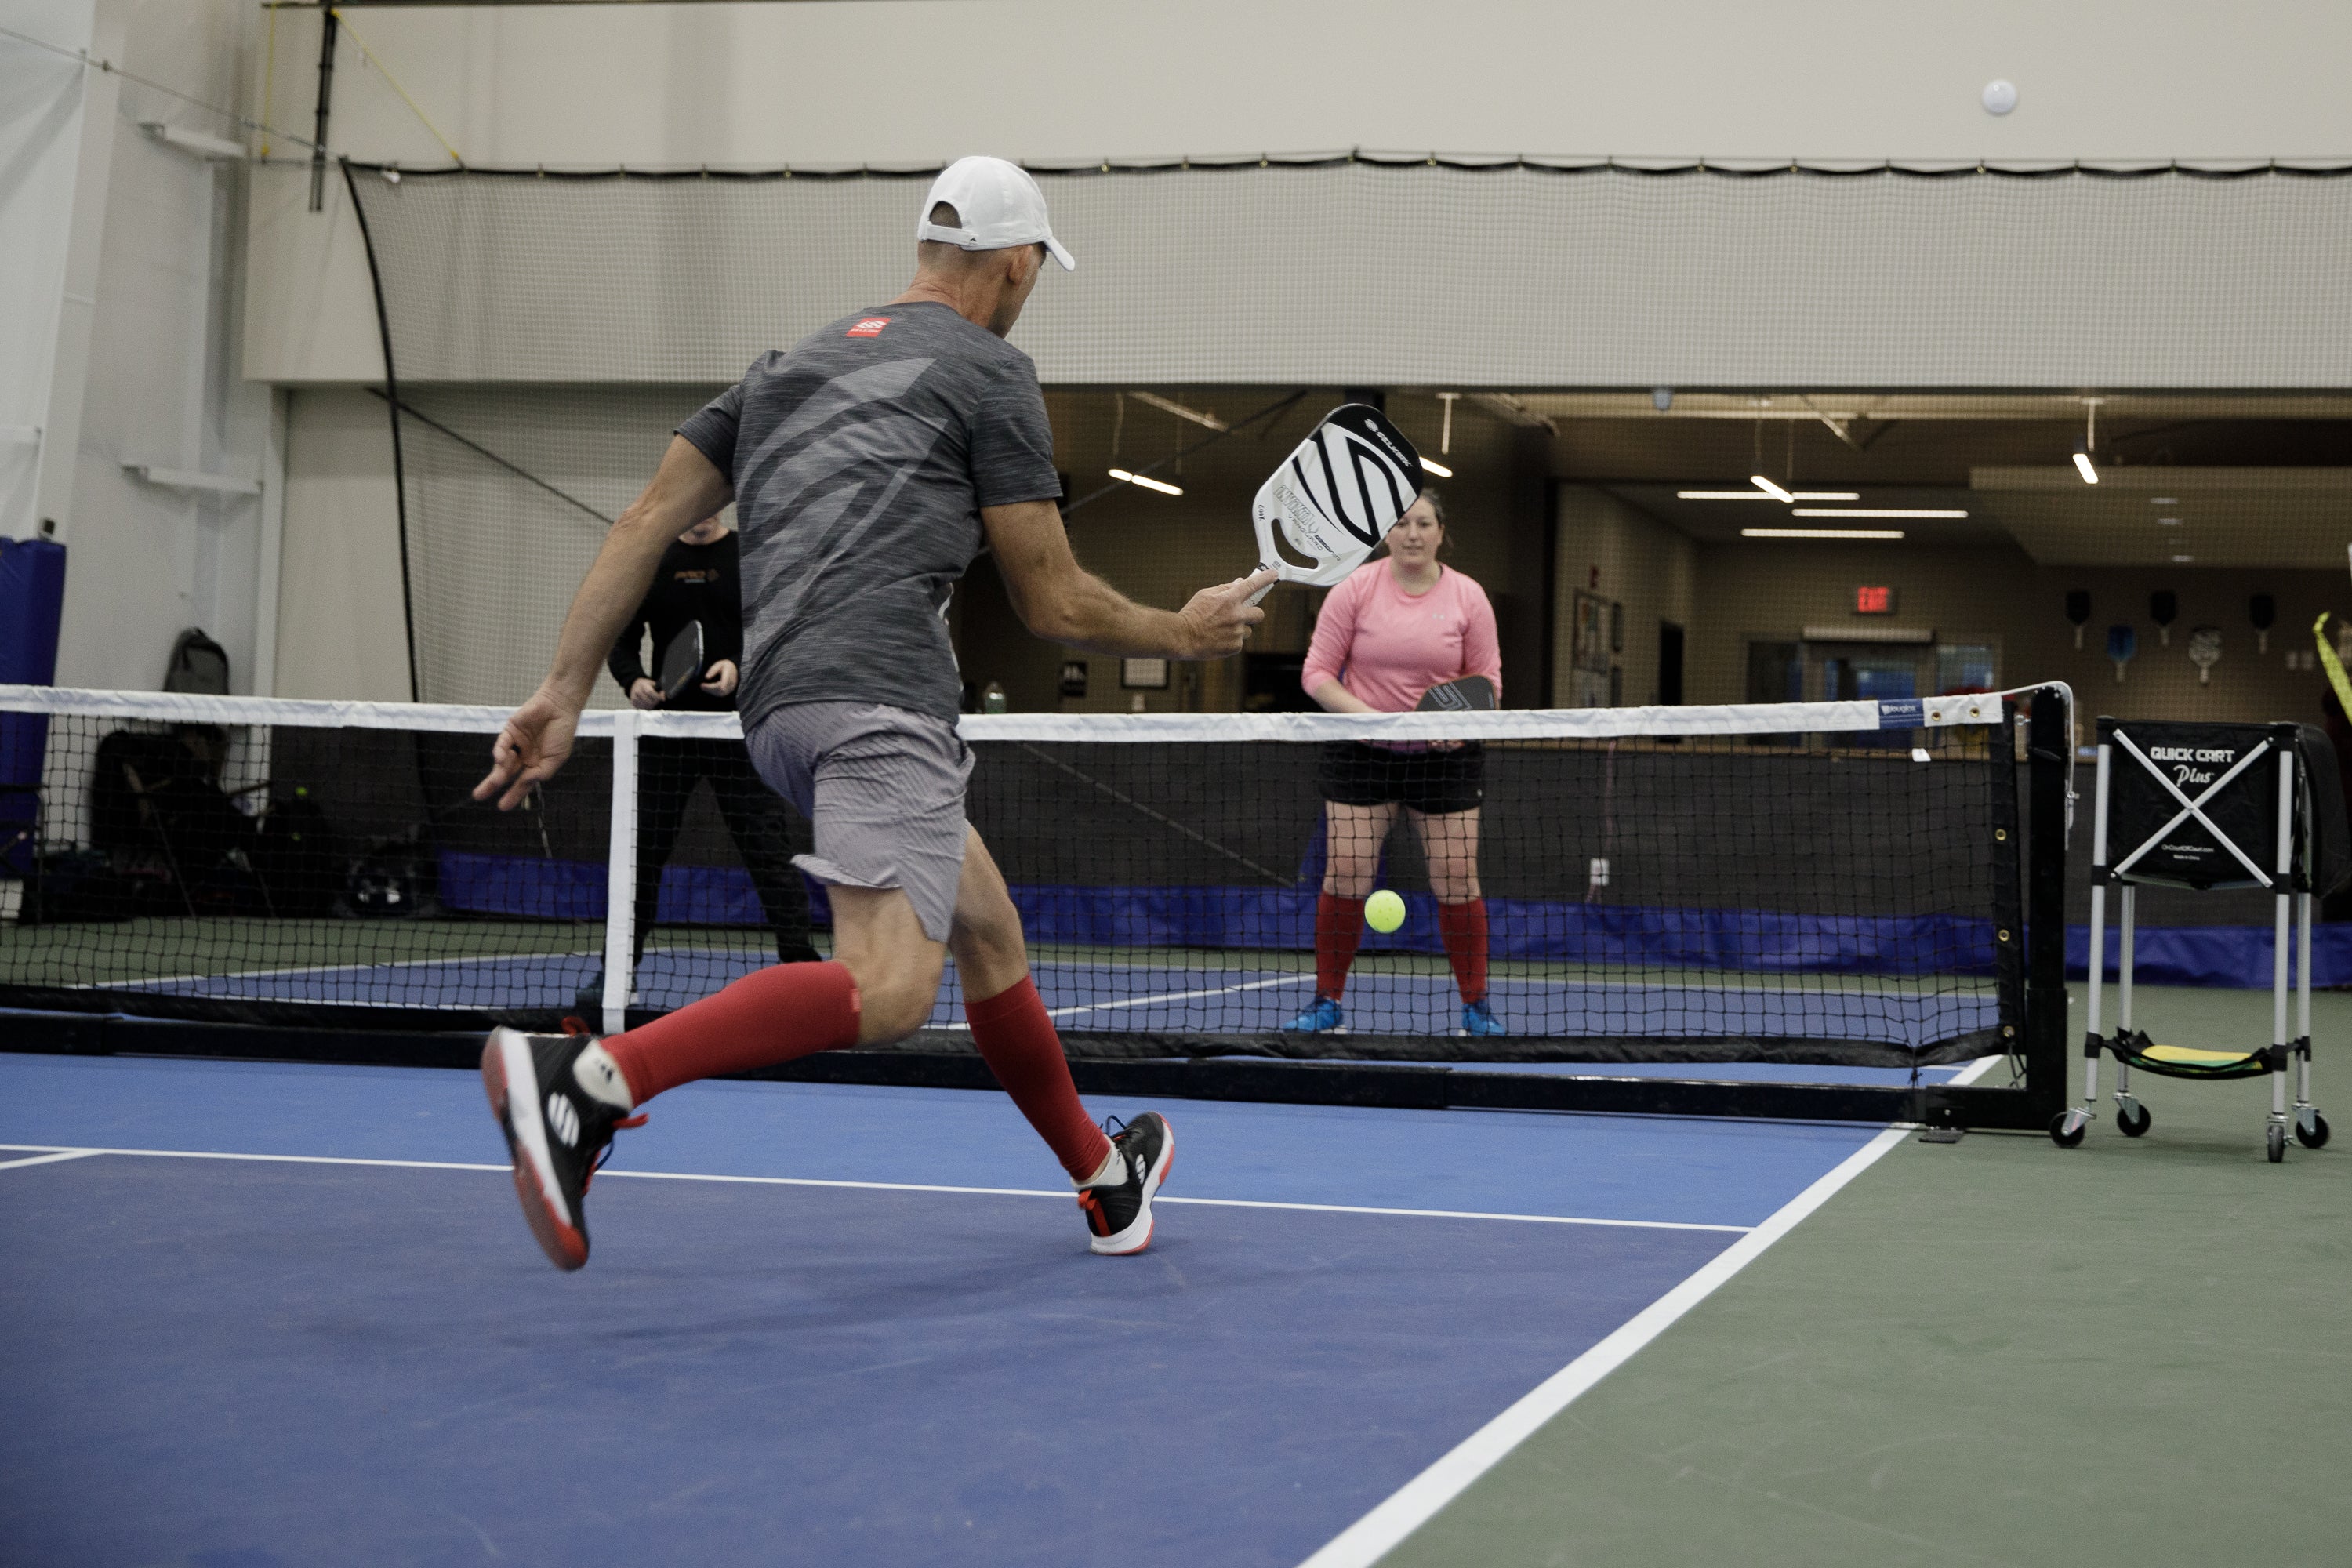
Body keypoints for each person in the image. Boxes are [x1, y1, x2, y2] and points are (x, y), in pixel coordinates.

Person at [472, 154, 1273, 1271]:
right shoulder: (991, 372)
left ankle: (1103, 1178)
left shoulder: (782, 369)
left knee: (987, 929)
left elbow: (645, 519)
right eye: (1038, 265)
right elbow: (1051, 600)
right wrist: (1185, 633)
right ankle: (596, 1080)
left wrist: (560, 690)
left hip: (780, 710)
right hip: (878, 701)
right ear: (1015, 262)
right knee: (890, 989)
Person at [1284, 488, 1504, 1037]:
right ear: (1386, 533)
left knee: (1456, 876)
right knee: (1347, 871)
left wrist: (1457, 727)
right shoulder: (1354, 589)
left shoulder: (1469, 598)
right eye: (1401, 523)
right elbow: (1317, 674)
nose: (1412, 533)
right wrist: (1369, 720)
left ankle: (1476, 1007)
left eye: (1423, 523)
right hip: (1361, 753)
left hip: (1444, 758)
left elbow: (1489, 683)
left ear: (1440, 532)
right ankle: (1327, 1001)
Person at [594, 507, 821, 1007]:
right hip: (666, 735)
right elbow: (621, 638)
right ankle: (615, 977)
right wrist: (633, 679)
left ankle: (803, 972)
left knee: (769, 852)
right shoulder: (654, 556)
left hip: (737, 731)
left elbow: (776, 630)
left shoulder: (749, 553)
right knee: (640, 858)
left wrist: (738, 665)